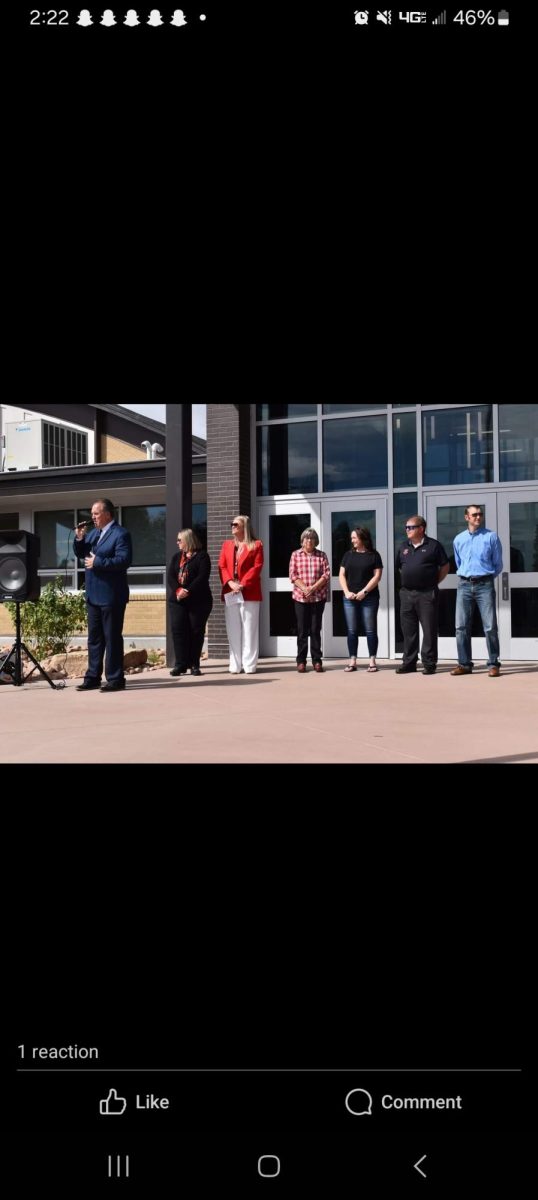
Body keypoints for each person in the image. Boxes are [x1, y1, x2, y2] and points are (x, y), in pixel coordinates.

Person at [74, 498, 132, 692]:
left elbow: (124, 560)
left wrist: (98, 562)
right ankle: (93, 677)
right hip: (93, 594)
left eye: (96, 513)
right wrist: (80, 538)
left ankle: (115, 679)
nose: (92, 517)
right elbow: (81, 552)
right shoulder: (93, 534)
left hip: (111, 595)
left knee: (112, 637)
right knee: (94, 638)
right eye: (92, 514)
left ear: (107, 514)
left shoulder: (121, 534)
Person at [451, 505, 503, 677]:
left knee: (490, 627)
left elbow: (497, 565)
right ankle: (464, 664)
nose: (478, 517)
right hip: (464, 585)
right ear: (467, 517)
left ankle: (493, 664)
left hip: (484, 585)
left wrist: (484, 578)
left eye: (480, 514)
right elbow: (459, 563)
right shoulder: (459, 539)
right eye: (474, 515)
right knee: (461, 627)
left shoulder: (491, 537)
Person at [395, 515, 449, 675]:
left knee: (429, 629)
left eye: (410, 527)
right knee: (408, 630)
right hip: (406, 594)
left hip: (427, 593)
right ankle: (409, 663)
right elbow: (400, 567)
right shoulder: (403, 546)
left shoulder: (433, 546)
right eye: (406, 527)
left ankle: (429, 663)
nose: (407, 530)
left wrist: (432, 582)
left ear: (421, 528)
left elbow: (445, 566)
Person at [218, 515, 264, 674]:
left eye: (236, 524)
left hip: (249, 591)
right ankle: (235, 664)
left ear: (245, 527)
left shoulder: (256, 545)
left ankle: (249, 665)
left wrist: (243, 584)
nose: (232, 526)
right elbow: (222, 566)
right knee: (233, 629)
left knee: (249, 629)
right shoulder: (226, 545)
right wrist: (230, 583)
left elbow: (257, 567)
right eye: (232, 524)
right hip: (231, 591)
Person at [167, 529, 212, 677]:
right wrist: (179, 590)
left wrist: (188, 591)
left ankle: (194, 664)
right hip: (178, 601)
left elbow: (202, 577)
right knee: (178, 631)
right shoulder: (176, 557)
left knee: (195, 632)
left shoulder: (202, 557)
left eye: (180, 540)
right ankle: (180, 664)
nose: (177, 543)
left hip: (198, 601)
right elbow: (171, 577)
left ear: (188, 540)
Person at [338, 527, 383, 673]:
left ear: (363, 538)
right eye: (351, 538)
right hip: (349, 598)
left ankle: (372, 661)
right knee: (352, 630)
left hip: (369, 598)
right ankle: (352, 661)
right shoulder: (348, 555)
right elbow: (341, 575)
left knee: (370, 630)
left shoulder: (374, 555)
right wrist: (346, 592)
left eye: (354, 538)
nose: (352, 540)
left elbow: (377, 577)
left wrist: (364, 592)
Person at [289, 529, 330, 673]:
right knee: (302, 630)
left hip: (318, 598)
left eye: (312, 538)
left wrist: (313, 588)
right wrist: (305, 588)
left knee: (315, 629)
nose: (309, 541)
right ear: (302, 541)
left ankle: (317, 660)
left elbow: (326, 574)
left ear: (316, 541)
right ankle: (301, 661)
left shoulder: (321, 555)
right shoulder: (295, 555)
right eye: (306, 538)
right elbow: (293, 575)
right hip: (300, 598)